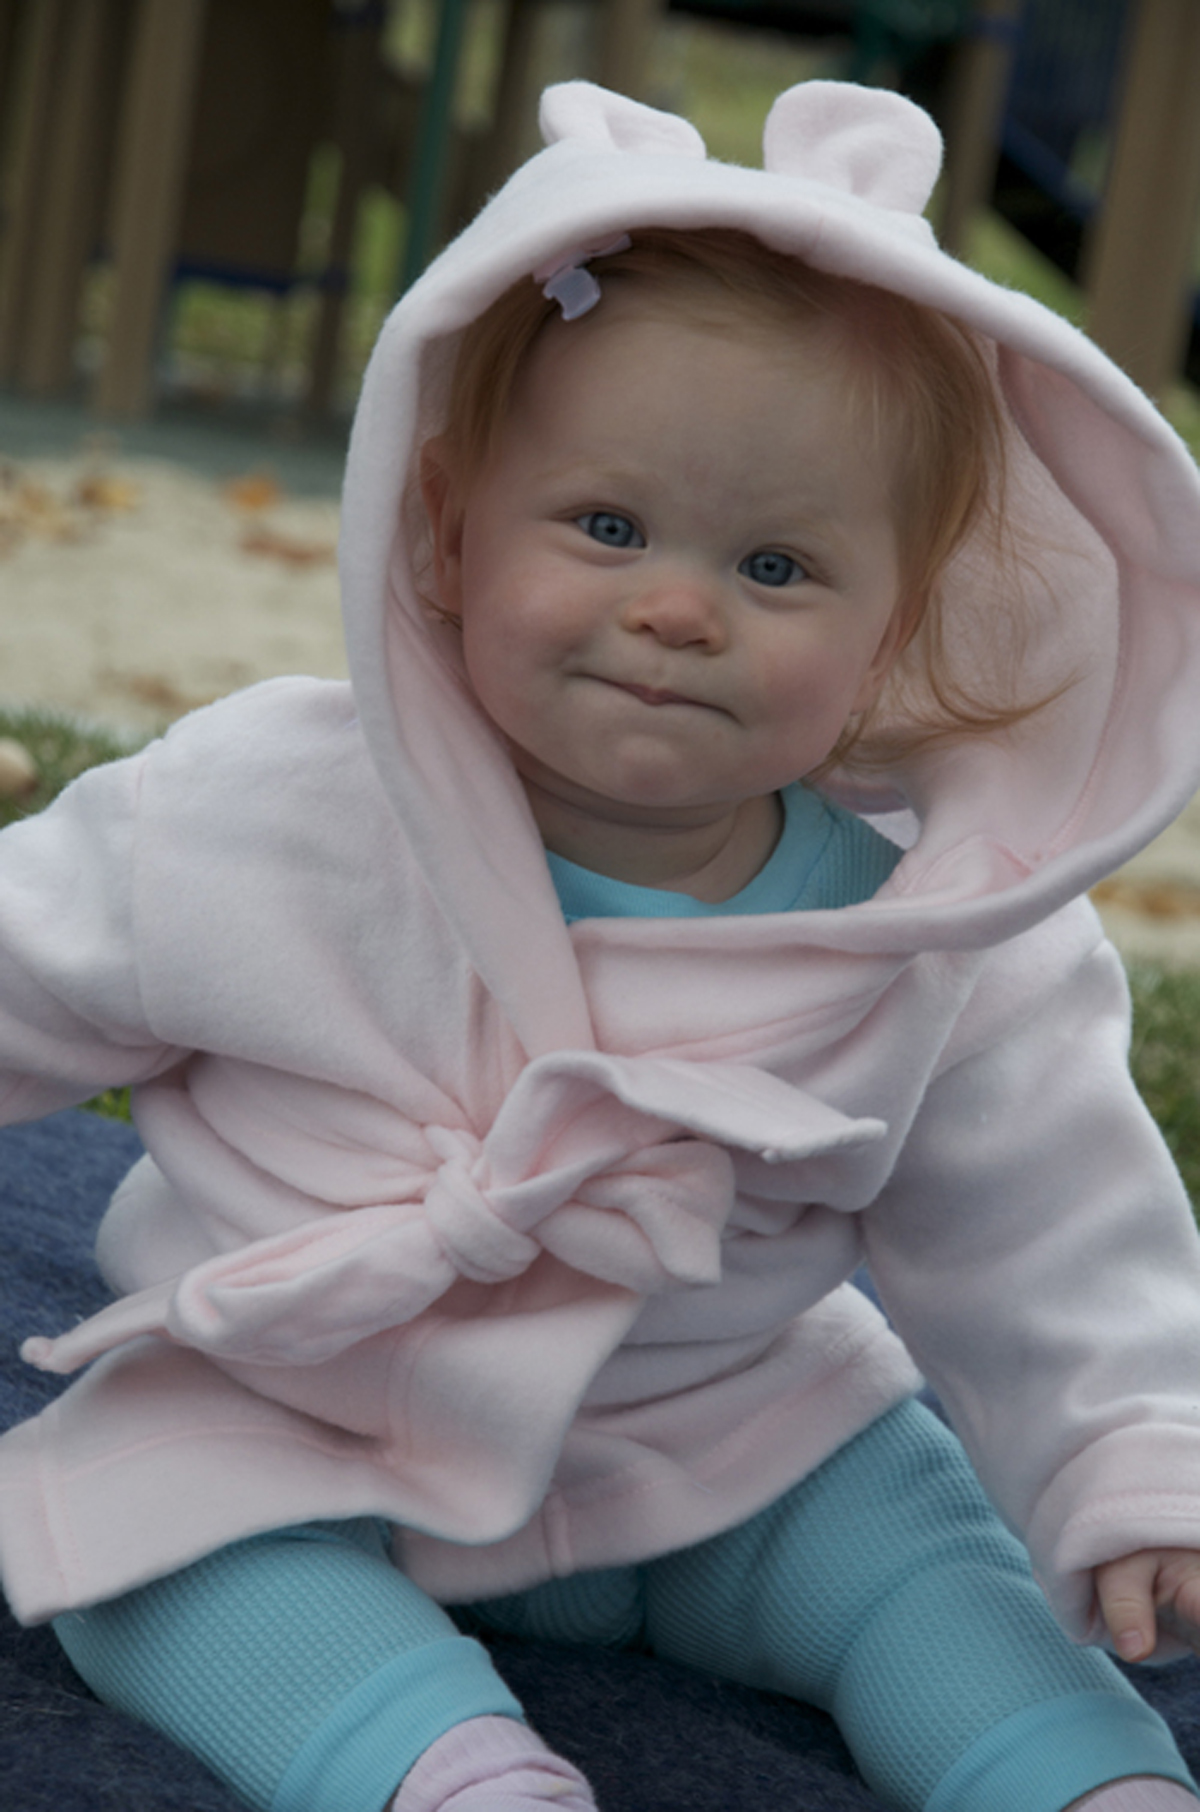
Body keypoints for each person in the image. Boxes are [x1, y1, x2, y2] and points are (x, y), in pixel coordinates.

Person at [1, 76, 1200, 1812]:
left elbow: (1061, 1229)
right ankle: (443, 1765)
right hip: (311, 1417)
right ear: (445, 524)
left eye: (779, 566)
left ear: (894, 630)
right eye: (609, 528)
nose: (677, 608)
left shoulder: (938, 933)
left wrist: (1132, 1458)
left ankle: (1079, 1783)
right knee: (150, 1535)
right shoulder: (260, 809)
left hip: (730, 1444)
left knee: (935, 1551)